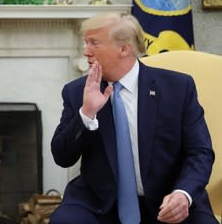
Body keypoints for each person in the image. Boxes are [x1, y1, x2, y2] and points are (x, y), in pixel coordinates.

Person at [50, 12, 217, 224]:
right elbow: (62, 157)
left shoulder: (177, 88)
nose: (86, 52)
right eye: (85, 43)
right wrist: (87, 113)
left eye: (94, 43)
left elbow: (200, 152)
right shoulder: (77, 92)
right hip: (100, 202)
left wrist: (184, 193)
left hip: (169, 198)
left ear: (124, 49)